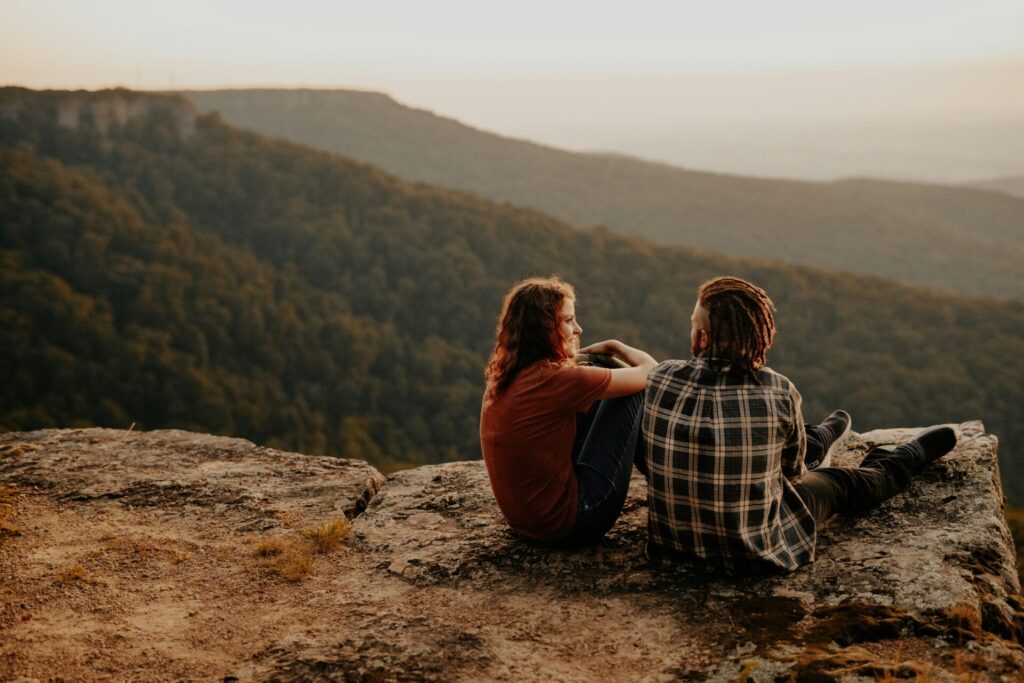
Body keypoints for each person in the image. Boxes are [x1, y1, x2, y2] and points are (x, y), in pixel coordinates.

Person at [642, 276, 956, 574]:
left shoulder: (660, 378)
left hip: (674, 550)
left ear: (703, 338)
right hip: (754, 552)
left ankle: (818, 439)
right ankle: (900, 460)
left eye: (693, 324)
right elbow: (793, 474)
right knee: (839, 483)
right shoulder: (777, 390)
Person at [480, 276, 657, 547]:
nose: (578, 329)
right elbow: (651, 373)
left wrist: (590, 362)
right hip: (574, 522)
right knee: (630, 392)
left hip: (526, 522)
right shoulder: (557, 381)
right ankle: (666, 482)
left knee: (598, 370)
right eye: (568, 320)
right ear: (542, 329)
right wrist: (615, 346)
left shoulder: (506, 375)